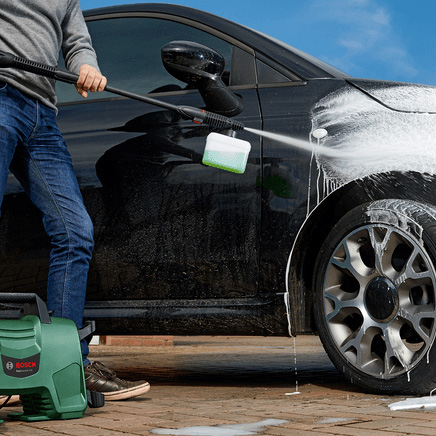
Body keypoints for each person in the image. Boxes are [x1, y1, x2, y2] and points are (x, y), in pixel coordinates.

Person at [0, 1, 150, 401]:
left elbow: (78, 43)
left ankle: (68, 363)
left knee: (75, 232)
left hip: (41, 115)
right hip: (0, 93)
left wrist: (88, 65)